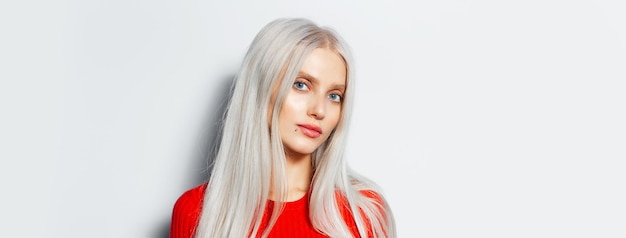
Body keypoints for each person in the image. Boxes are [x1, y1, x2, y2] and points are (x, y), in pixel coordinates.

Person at [170, 17, 396, 238]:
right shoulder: (197, 212)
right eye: (301, 85)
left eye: (334, 96)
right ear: (261, 88)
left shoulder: (364, 213)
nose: (320, 110)